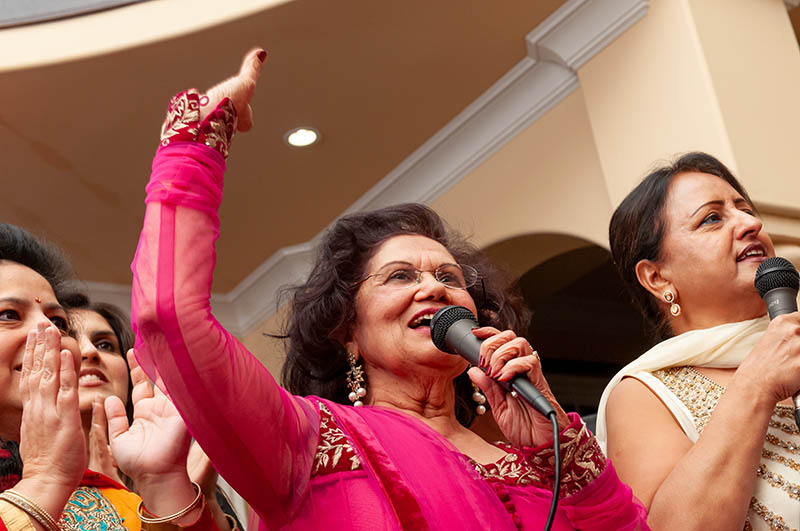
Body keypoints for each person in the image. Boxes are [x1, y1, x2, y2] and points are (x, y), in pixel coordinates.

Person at [130, 49, 649, 530]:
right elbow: (167, 314)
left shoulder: (545, 465)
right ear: (346, 331)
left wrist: (558, 444)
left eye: (450, 279)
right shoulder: (304, 441)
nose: (434, 289)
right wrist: (194, 149)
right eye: (401, 276)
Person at [597, 152, 800, 529]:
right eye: (712, 218)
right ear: (657, 278)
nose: (750, 223)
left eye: (745, 209)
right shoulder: (644, 394)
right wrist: (758, 382)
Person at [0, 224, 218, 530]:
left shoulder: (105, 495)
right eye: (8, 315)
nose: (50, 332)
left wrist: (163, 483)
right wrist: (44, 480)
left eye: (58, 321)